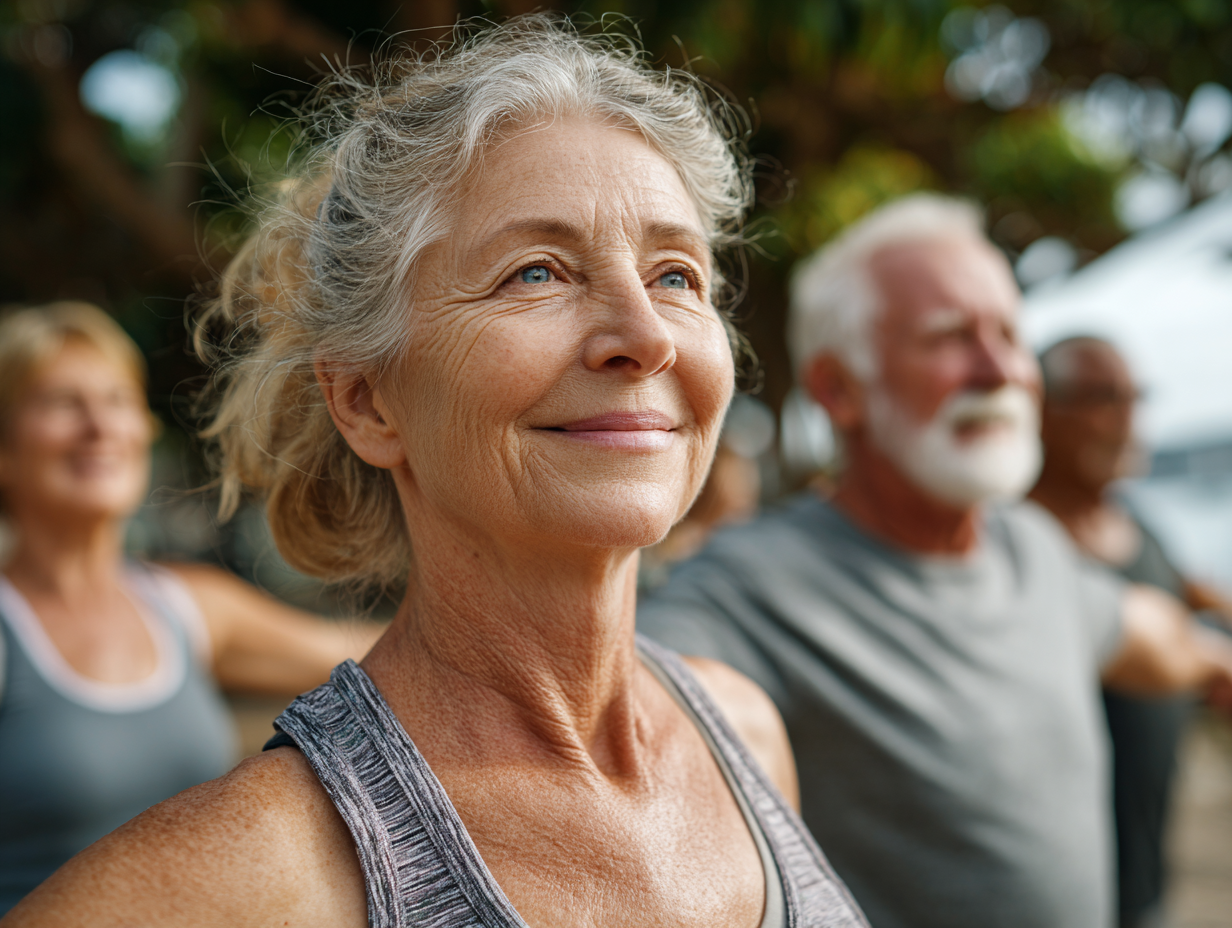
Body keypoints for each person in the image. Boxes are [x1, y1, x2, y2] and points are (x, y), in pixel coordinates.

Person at [2, 18, 869, 928]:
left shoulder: (747, 735)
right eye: (536, 273)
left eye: (677, 275)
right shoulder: (250, 877)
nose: (646, 335)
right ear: (369, 403)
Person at [637, 194, 1232, 928]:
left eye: (1010, 334)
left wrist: (1216, 663)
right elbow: (606, 708)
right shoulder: (752, 584)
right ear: (838, 390)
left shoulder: (1029, 546)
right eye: (951, 337)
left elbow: (1147, 633)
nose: (999, 369)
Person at [0, 301, 380, 915]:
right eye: (63, 403)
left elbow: (383, 659)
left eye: (118, 400)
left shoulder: (187, 606)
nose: (100, 425)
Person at [1031, 335, 1232, 928]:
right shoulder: (1013, 548)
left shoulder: (1131, 524)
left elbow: (1188, 593)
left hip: (1146, 881)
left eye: (1134, 397)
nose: (1127, 419)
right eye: (1103, 398)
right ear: (1043, 411)